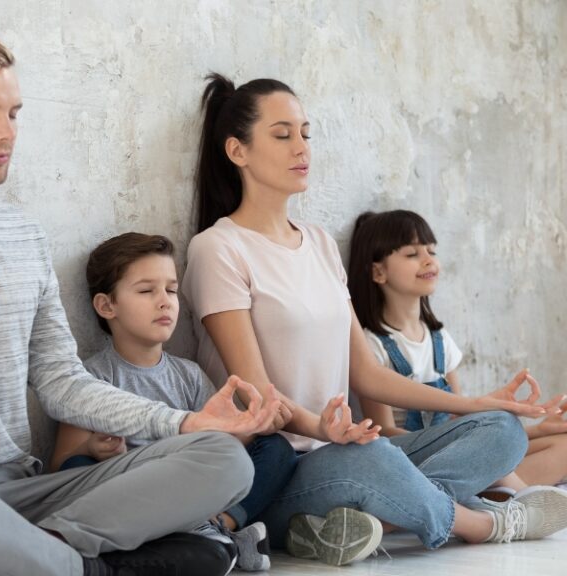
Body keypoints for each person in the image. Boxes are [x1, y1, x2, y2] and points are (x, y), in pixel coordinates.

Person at [0, 30, 282, 576]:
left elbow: (62, 382)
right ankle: (79, 570)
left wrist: (184, 423)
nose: (7, 132)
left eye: (15, 113)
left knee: (222, 457)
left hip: (25, 498)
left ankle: (31, 555)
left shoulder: (24, 236)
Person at [180, 73, 567, 566]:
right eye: (282, 135)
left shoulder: (318, 242)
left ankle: (364, 521)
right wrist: (326, 431)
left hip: (345, 453)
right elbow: (258, 399)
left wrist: (471, 402)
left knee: (501, 429)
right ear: (238, 152)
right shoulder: (218, 249)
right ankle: (484, 523)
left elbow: (367, 375)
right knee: (375, 457)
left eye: (306, 133)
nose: (301, 147)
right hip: (279, 470)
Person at [50, 232, 299, 571]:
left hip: (194, 496)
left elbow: (225, 449)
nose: (164, 301)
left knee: (275, 449)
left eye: (170, 289)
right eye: (145, 290)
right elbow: (62, 469)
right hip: (131, 499)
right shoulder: (91, 379)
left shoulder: (188, 375)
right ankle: (201, 536)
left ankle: (219, 525)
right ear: (107, 305)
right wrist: (95, 450)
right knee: (76, 470)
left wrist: (252, 426)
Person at [347, 209, 567, 491]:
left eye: (431, 251)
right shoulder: (373, 346)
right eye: (412, 254)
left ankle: (491, 489)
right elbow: (384, 432)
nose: (429, 260)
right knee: (491, 460)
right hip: (413, 459)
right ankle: (500, 491)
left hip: (457, 448)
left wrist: (535, 430)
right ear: (378, 271)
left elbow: (460, 416)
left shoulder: (440, 339)